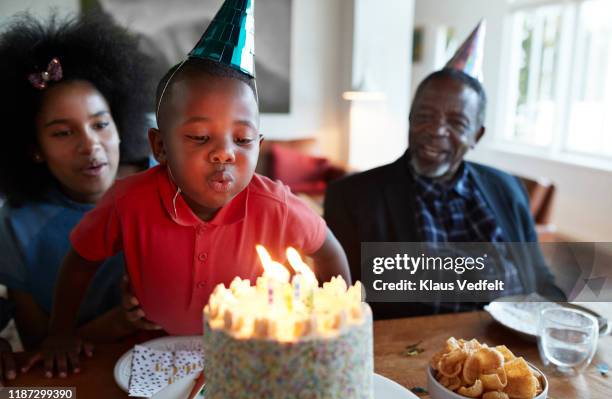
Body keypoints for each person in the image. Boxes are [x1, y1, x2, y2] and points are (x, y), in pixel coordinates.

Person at [37, 0, 350, 378]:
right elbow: (79, 263)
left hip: (250, 358)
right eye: (200, 137)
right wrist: (60, 333)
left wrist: (332, 325)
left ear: (259, 144)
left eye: (243, 138)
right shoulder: (128, 201)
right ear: (160, 147)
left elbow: (329, 251)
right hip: (151, 355)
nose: (224, 153)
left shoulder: (276, 205)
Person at [325, 23, 563, 320]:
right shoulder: (350, 197)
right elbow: (346, 302)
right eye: (425, 116)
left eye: (456, 123)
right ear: (411, 118)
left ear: (477, 135)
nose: (436, 131)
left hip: (507, 348)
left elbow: (538, 277)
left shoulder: (508, 188)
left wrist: (563, 320)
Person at [0, 10, 156, 361]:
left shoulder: (166, 184)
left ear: (121, 123)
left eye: (100, 124)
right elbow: (42, 347)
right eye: (63, 132)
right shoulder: (16, 225)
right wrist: (118, 323)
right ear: (34, 149)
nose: (90, 145)